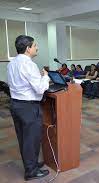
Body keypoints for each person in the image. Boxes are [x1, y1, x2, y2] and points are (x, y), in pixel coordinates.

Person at [7, 35, 50, 181]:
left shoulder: (12, 63)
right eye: (35, 45)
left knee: (24, 139)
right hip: (28, 107)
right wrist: (45, 77)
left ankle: (31, 164)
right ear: (28, 48)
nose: (37, 47)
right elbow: (39, 89)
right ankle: (31, 171)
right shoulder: (29, 64)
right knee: (32, 139)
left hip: (16, 105)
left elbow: (20, 82)